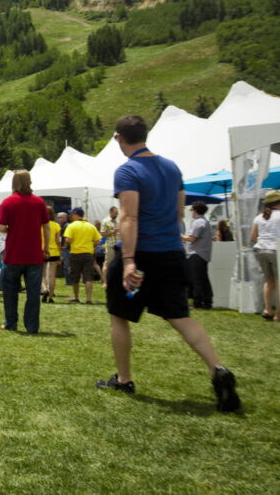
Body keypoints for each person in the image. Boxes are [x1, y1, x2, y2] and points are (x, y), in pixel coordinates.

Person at [97, 115, 240, 412]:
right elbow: (178, 213)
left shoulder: (127, 171)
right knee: (180, 316)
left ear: (119, 138)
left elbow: (129, 216)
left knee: (119, 315)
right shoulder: (172, 168)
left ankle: (124, 379)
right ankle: (217, 369)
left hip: (141, 254)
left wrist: (129, 261)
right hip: (172, 253)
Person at [0, 171, 50, 334]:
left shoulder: (8, 202)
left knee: (10, 292)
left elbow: (1, 227)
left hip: (14, 254)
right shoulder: (39, 202)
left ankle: (11, 323)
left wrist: (13, 229)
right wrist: (46, 248)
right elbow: (46, 227)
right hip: (34, 255)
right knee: (33, 294)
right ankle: (32, 326)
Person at [251, 189, 280, 321]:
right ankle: (278, 314)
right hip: (276, 250)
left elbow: (253, 237)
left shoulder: (259, 217)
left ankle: (267, 309)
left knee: (269, 281)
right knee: (279, 282)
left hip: (261, 250)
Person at [64, 208, 101, 304]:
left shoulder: (71, 226)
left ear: (76, 214)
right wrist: (90, 245)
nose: (71, 216)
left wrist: (71, 242)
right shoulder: (91, 226)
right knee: (88, 277)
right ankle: (88, 299)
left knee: (75, 276)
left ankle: (76, 297)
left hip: (75, 253)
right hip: (88, 253)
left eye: (72, 214)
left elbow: (67, 240)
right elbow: (97, 241)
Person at [181, 201, 214, 310]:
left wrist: (180, 235)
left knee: (197, 279)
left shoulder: (198, 222)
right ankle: (207, 301)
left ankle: (197, 302)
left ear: (195, 210)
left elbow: (192, 238)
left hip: (197, 254)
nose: (191, 212)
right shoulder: (204, 221)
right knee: (203, 279)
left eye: (192, 210)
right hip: (202, 254)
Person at [42, 205, 61, 303]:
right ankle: (50, 297)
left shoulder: (39, 224)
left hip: (42, 251)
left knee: (42, 274)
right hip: (54, 251)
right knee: (52, 275)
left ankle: (45, 289)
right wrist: (60, 253)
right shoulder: (56, 225)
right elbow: (58, 241)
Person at [101, 206, 120, 271]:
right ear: (110, 212)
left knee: (117, 264)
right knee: (107, 263)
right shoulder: (105, 221)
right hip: (110, 246)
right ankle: (104, 277)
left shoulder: (117, 221)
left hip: (117, 245)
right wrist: (112, 231)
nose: (116, 214)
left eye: (117, 213)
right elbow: (102, 234)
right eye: (115, 213)